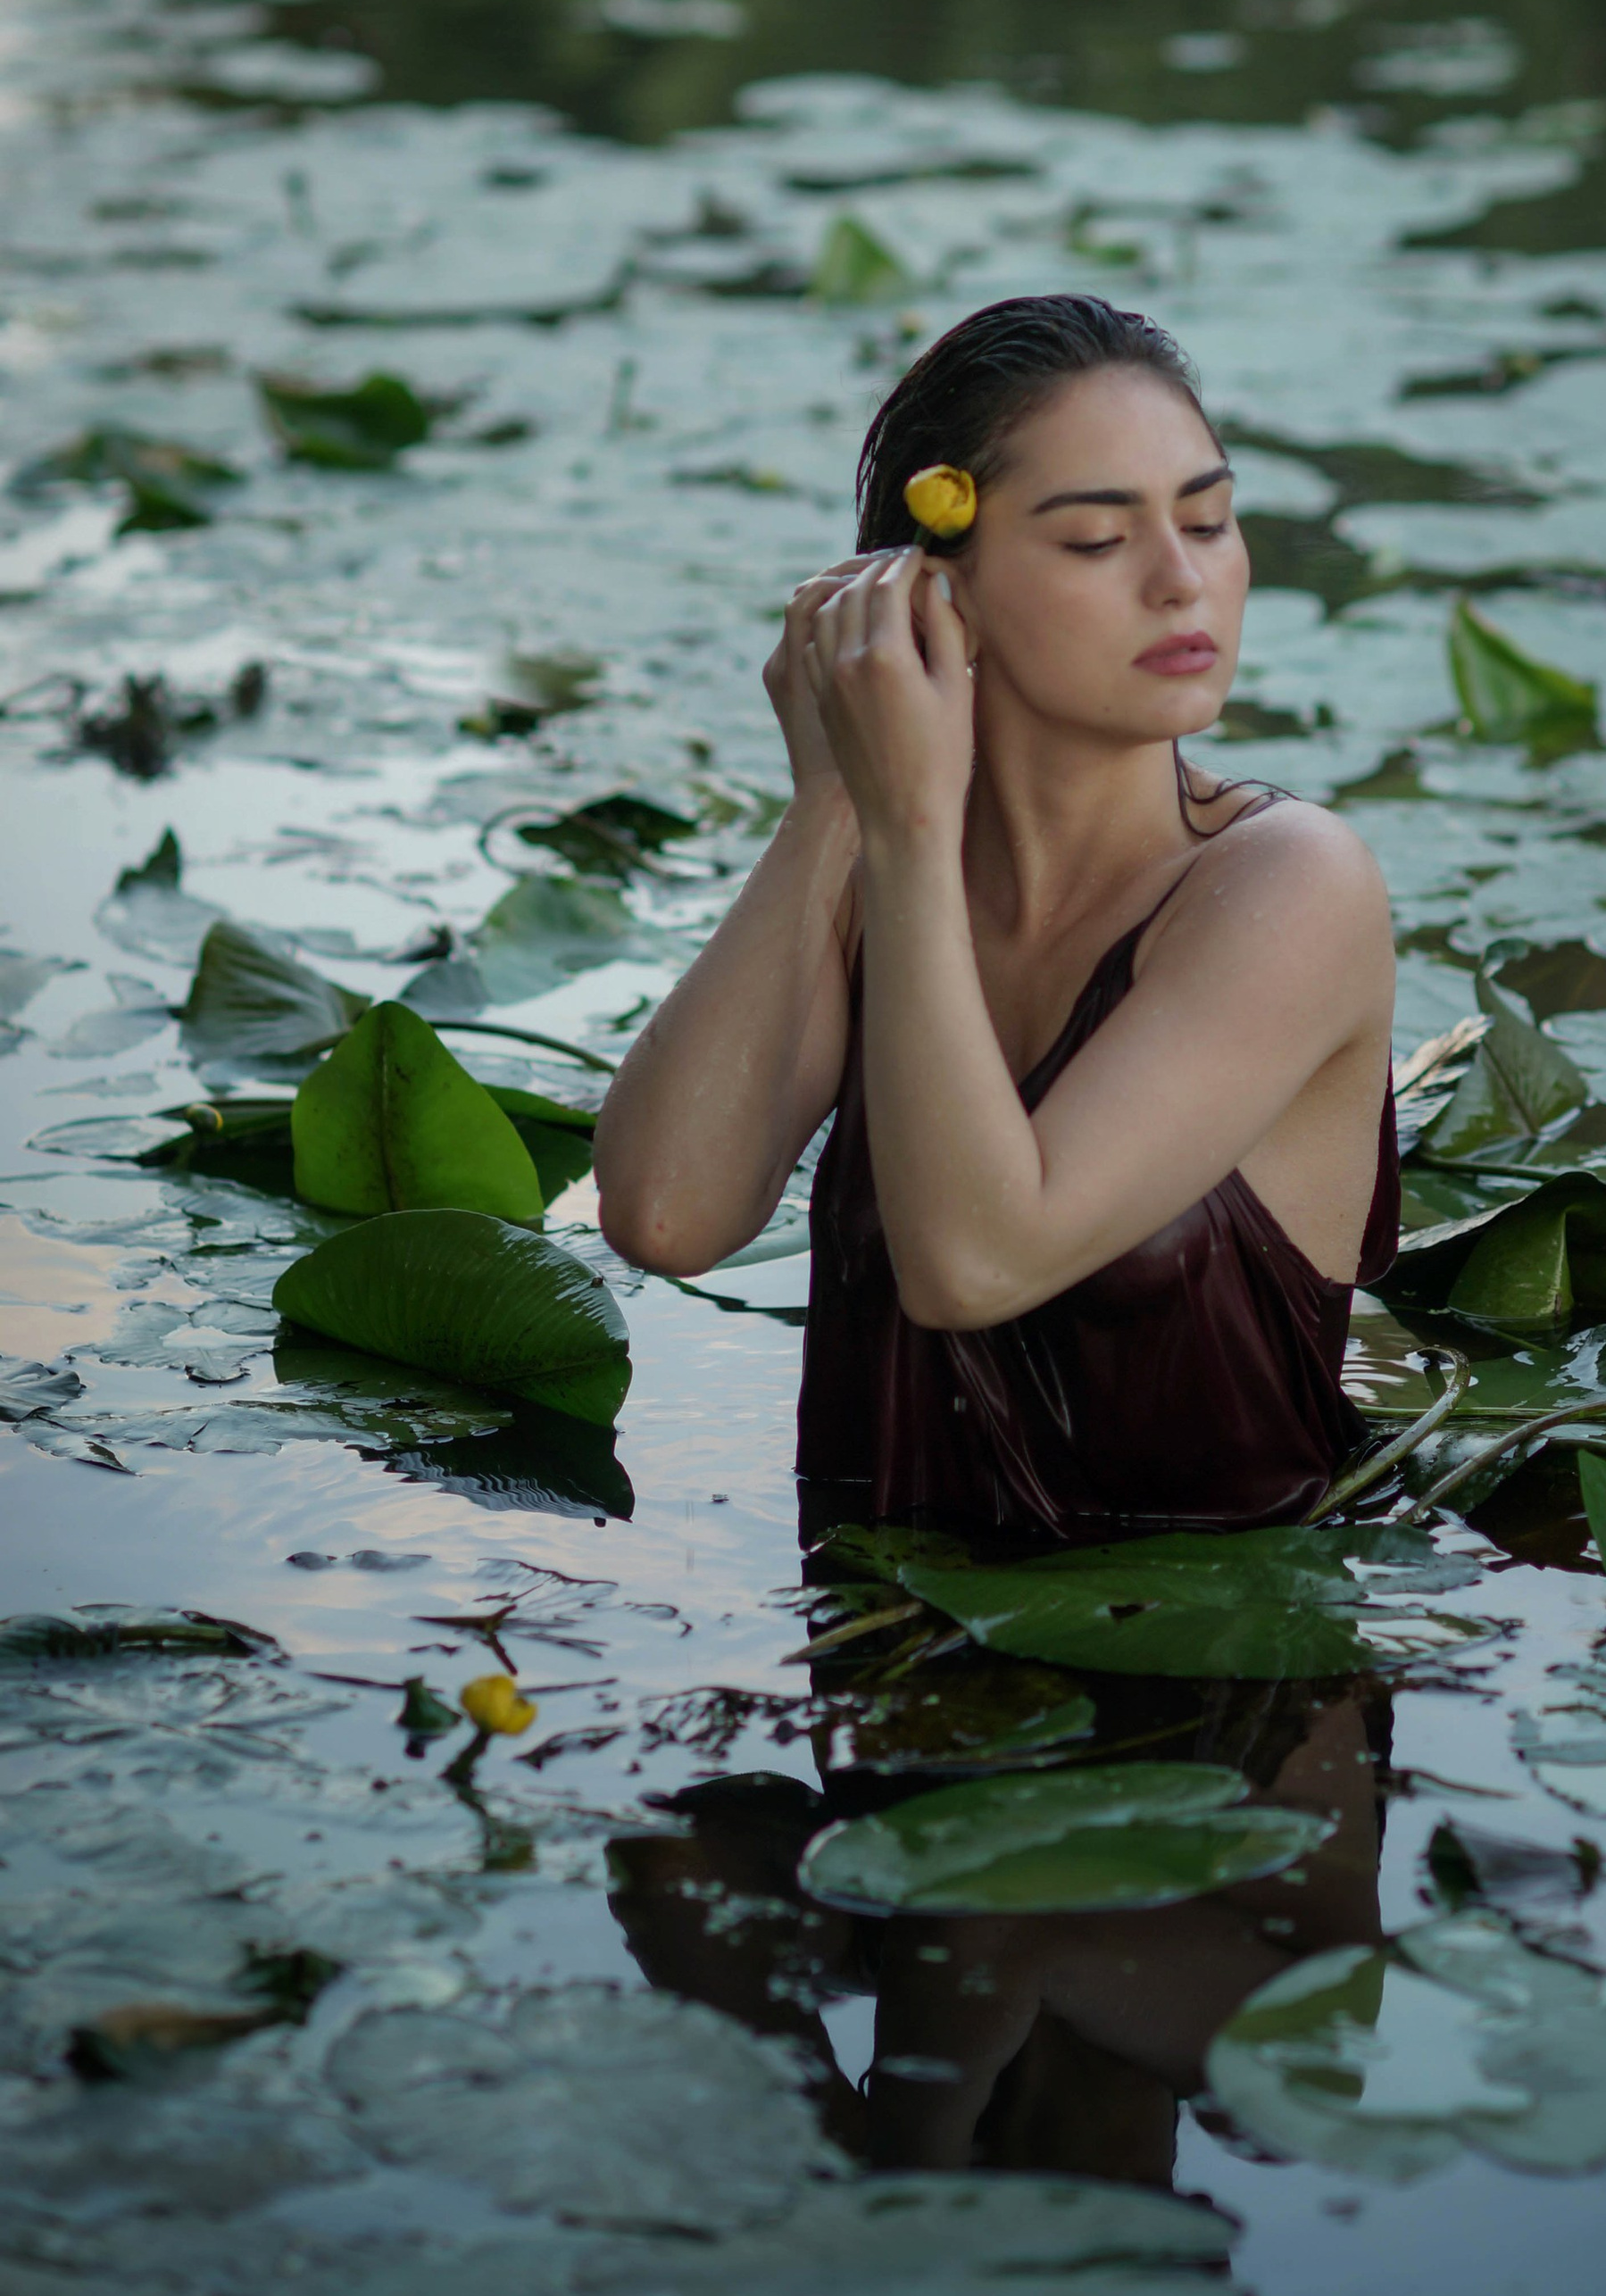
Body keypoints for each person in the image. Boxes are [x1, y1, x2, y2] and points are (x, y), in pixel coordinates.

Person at [594, 293, 1398, 1535]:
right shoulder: (879, 881)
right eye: (1095, 541)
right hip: (885, 1675)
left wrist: (907, 833)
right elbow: (663, 1213)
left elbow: (978, 1260)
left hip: (1224, 1691)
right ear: (935, 597)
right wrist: (831, 809)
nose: (1183, 580)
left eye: (1208, 518)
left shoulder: (1287, 887)